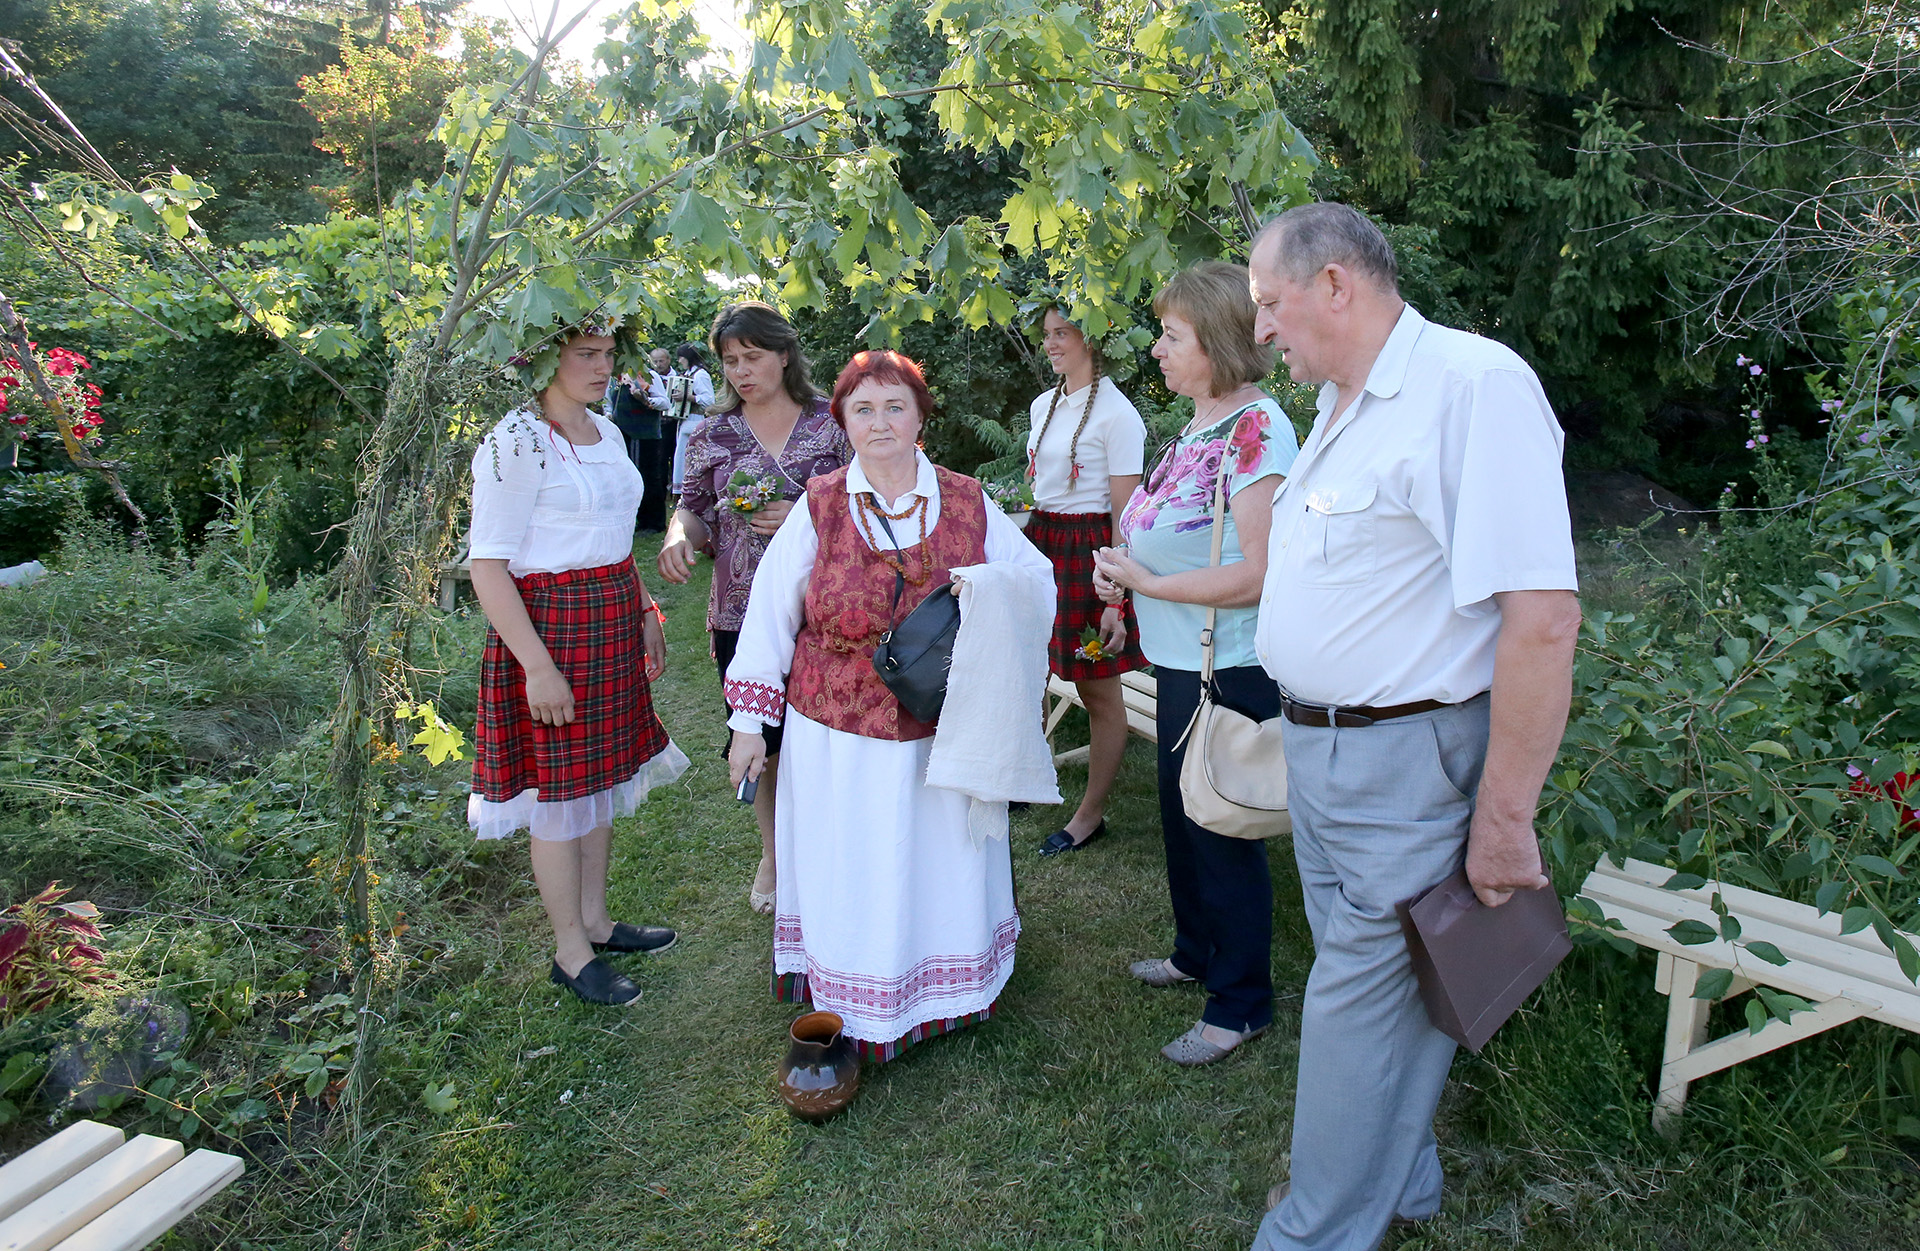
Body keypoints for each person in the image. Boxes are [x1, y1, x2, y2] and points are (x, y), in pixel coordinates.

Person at [1245, 203, 1580, 1250]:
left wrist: (1505, 819)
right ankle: (1402, 1183)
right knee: (1383, 997)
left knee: (1355, 1008)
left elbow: (1542, 620)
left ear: (1335, 284)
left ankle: (1313, 1230)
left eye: (1269, 302)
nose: (1259, 328)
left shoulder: (1471, 389)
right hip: (1323, 753)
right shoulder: (1347, 402)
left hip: (1405, 762)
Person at [722, 349, 1053, 1060]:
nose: (880, 422)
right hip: (835, 736)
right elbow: (770, 619)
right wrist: (749, 724)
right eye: (863, 408)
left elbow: (1036, 581)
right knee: (855, 861)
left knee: (938, 856)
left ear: (919, 417)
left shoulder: (967, 499)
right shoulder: (819, 505)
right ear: (841, 419)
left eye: (894, 406)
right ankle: (852, 991)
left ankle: (948, 983)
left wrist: (986, 591)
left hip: (942, 730)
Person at [1090, 261, 1298, 1065]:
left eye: (1172, 336)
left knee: (1222, 824)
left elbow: (1264, 571)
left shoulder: (1257, 429)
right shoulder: (1195, 428)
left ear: (1214, 341)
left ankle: (1241, 1002)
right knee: (1184, 819)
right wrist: (1125, 593)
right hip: (1180, 659)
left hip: (1231, 668)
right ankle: (1195, 950)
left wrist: (1151, 582)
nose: (1157, 350)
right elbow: (1158, 536)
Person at [467, 324, 691, 1007]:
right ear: (541, 361)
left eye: (606, 356)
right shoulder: (516, 440)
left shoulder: (607, 431)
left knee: (598, 779)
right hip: (549, 628)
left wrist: (644, 611)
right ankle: (570, 950)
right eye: (585, 356)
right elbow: (488, 566)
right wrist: (535, 665)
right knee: (561, 794)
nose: (602, 368)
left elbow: (612, 539)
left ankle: (596, 920)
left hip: (611, 613)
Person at [657, 302, 850, 914]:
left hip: (829, 609)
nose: (741, 371)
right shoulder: (713, 433)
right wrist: (676, 536)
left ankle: (836, 853)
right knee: (761, 743)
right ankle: (772, 851)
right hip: (739, 614)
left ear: (784, 354)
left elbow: (867, 504)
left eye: (753, 357)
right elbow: (691, 505)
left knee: (830, 738)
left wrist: (807, 516)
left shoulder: (834, 423)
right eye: (730, 361)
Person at [1024, 308, 1149, 857]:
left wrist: (1115, 594)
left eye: (1062, 333)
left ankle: (1089, 815)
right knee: (1028, 668)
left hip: (1088, 551)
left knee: (1098, 689)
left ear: (1091, 340)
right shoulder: (1043, 404)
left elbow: (1126, 514)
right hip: (1043, 540)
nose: (1051, 344)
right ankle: (1023, 779)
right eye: (1047, 334)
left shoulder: (1118, 416)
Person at [609, 349, 673, 532]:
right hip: (623, 433)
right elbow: (609, 401)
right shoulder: (614, 377)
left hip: (645, 434)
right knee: (628, 477)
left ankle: (654, 522)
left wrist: (647, 400)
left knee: (648, 477)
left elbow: (665, 402)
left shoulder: (648, 375)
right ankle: (639, 520)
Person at [667, 342, 716, 497]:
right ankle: (683, 491)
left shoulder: (700, 375)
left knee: (690, 458)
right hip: (685, 421)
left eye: (681, 357)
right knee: (681, 457)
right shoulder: (689, 374)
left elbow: (709, 400)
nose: (679, 361)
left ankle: (693, 490)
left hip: (695, 421)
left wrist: (687, 397)